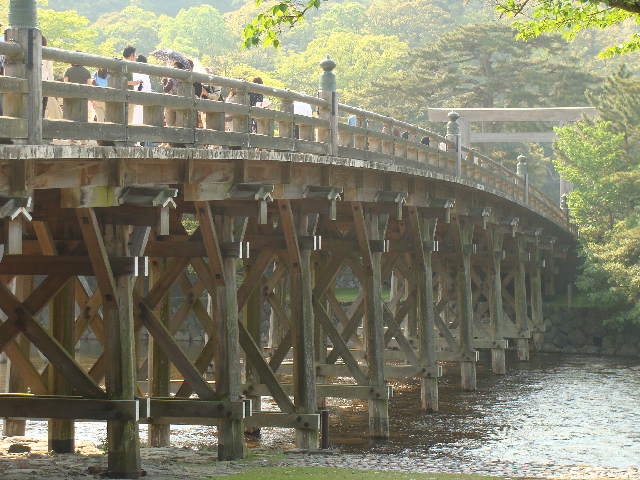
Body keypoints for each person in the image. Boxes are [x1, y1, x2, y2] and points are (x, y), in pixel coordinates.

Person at [131, 55, 152, 125]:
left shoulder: (135, 72)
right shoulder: (146, 74)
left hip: (136, 97)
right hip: (145, 98)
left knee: (136, 119)